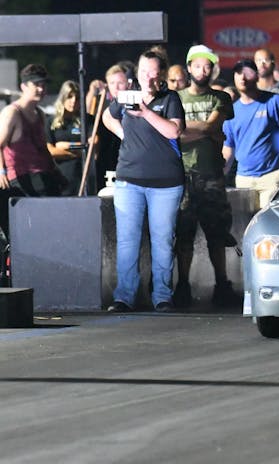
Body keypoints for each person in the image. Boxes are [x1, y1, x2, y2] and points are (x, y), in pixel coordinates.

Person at [102, 49, 186, 312]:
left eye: (153, 72)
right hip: (129, 179)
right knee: (127, 240)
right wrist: (123, 133)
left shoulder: (170, 98)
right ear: (136, 73)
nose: (148, 77)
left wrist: (146, 113)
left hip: (166, 182)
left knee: (163, 240)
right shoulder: (128, 96)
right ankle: (124, 296)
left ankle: (162, 295)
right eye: (143, 72)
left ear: (161, 75)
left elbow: (174, 131)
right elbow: (107, 116)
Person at [174, 44, 238, 308]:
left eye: (208, 66)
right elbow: (172, 133)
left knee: (217, 234)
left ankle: (222, 285)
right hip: (182, 174)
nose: (203, 70)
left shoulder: (220, 98)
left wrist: (184, 129)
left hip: (211, 174)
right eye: (198, 65)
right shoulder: (175, 98)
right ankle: (183, 287)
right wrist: (206, 132)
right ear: (189, 67)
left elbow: (212, 126)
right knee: (183, 234)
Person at [0, 63, 64, 240]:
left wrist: (56, 170)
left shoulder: (40, 114)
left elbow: (42, 148)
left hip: (43, 176)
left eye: (43, 84)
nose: (41, 89)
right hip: (22, 179)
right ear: (23, 86)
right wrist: (1, 171)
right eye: (36, 84)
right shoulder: (12, 112)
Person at [223, 59, 279, 209]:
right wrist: (220, 175)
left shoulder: (275, 102)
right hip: (243, 179)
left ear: (257, 76)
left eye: (247, 73)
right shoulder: (231, 111)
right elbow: (228, 149)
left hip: (272, 177)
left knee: (269, 221)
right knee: (245, 222)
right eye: (238, 73)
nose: (242, 77)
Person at [86, 64, 130, 193]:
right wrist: (91, 92)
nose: (116, 87)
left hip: (127, 154)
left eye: (120, 83)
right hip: (106, 154)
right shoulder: (102, 102)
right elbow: (86, 114)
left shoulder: (133, 102)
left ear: (128, 84)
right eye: (112, 83)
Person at [46, 80, 83, 196]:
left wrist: (66, 146)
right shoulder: (51, 121)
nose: (74, 101)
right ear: (63, 98)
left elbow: (92, 145)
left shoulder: (85, 120)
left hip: (82, 176)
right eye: (69, 97)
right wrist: (76, 152)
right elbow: (51, 151)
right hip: (60, 177)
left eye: (77, 98)